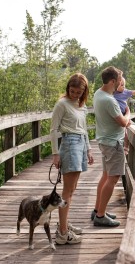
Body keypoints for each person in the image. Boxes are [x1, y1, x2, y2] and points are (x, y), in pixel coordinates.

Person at [50, 73, 94, 245]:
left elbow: (84, 129)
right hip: (69, 144)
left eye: (78, 92)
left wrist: (89, 150)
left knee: (72, 188)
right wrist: (55, 154)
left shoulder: (81, 105)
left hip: (81, 144)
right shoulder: (62, 104)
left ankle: (64, 224)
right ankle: (62, 233)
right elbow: (53, 130)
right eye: (72, 91)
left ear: (84, 91)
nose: (75, 94)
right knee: (67, 191)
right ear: (68, 88)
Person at [91, 66, 131, 227]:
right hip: (113, 144)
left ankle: (97, 210)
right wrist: (128, 112)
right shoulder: (110, 100)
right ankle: (100, 216)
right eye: (119, 81)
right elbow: (123, 122)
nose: (120, 85)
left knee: (105, 176)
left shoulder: (98, 94)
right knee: (112, 179)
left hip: (104, 141)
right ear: (113, 81)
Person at [113, 77, 135, 154]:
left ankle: (126, 147)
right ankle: (116, 145)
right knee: (116, 130)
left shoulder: (125, 92)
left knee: (125, 131)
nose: (123, 87)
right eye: (121, 85)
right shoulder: (112, 92)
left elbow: (134, 92)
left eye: (124, 85)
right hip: (115, 114)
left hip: (123, 113)